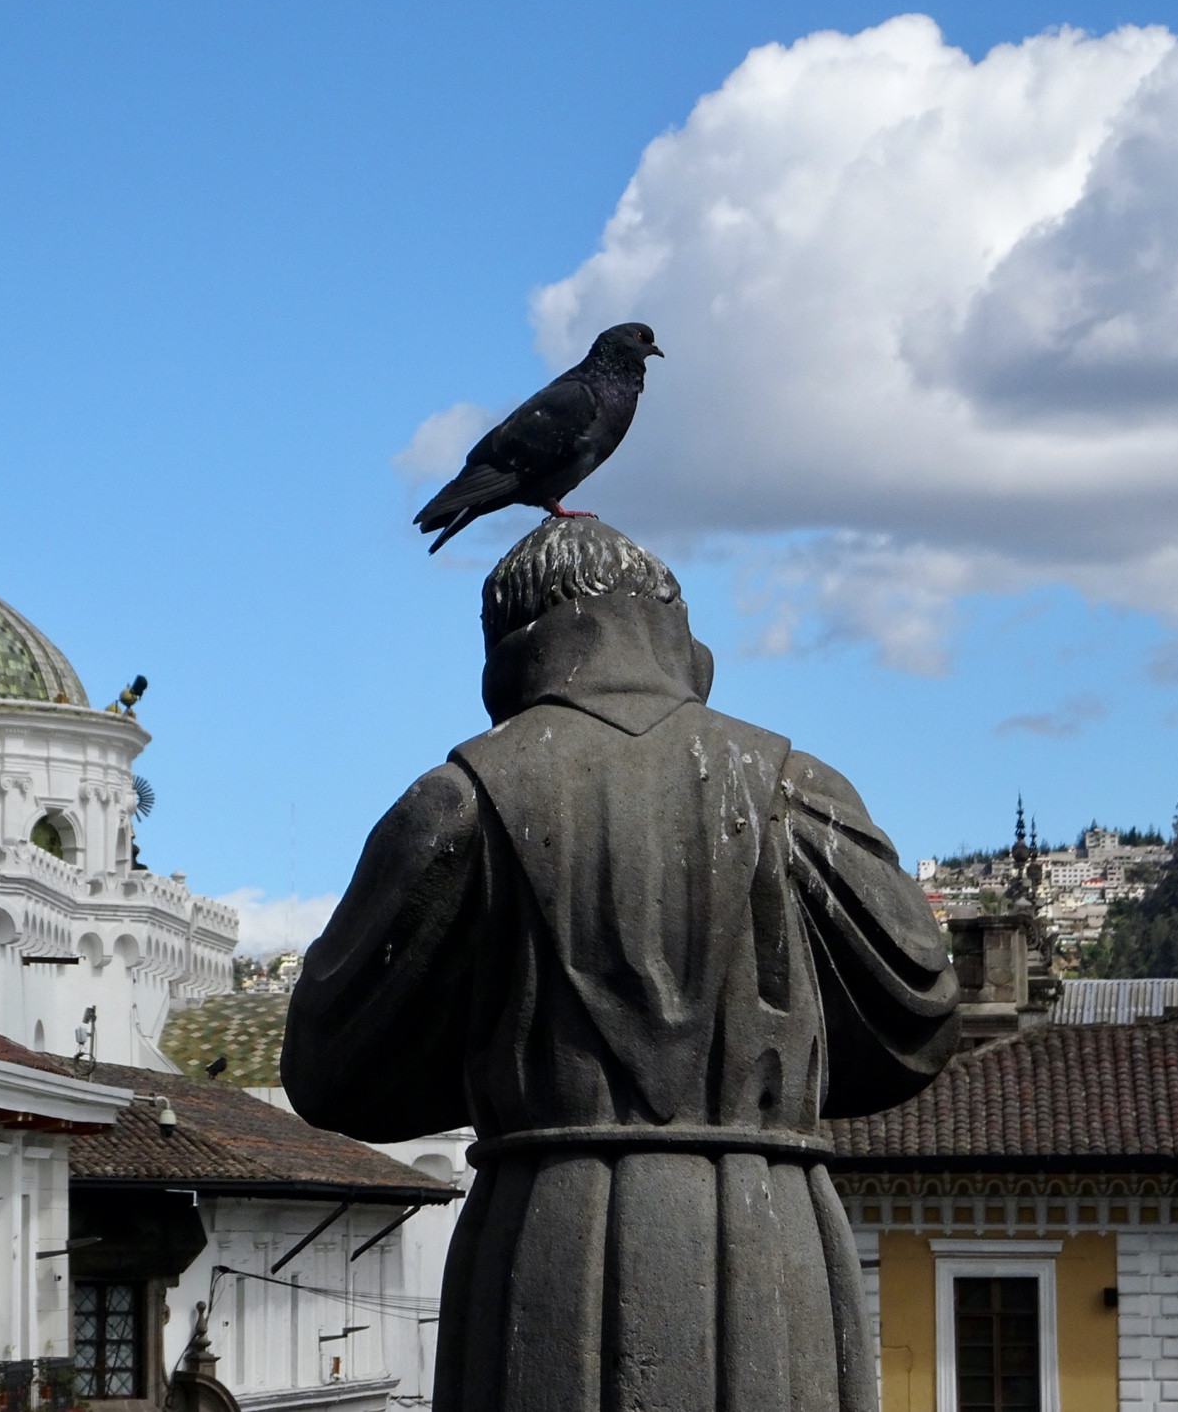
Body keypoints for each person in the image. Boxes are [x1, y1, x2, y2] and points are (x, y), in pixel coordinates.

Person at [282, 518, 958, 1412]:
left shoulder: (459, 799)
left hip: (542, 1246)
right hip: (774, 1240)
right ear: (676, 632)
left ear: (510, 649)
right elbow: (920, 1013)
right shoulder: (797, 785)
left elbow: (330, 1070)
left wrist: (501, 1049)